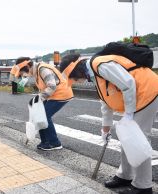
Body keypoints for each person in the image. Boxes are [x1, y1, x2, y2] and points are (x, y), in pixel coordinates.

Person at [61, 53, 158, 194]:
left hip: (148, 92)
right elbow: (106, 103)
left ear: (77, 70)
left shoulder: (100, 64)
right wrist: (105, 130)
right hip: (136, 98)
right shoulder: (95, 76)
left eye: (74, 78)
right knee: (127, 138)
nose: (76, 82)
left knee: (138, 139)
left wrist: (129, 114)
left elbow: (128, 84)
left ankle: (143, 186)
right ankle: (125, 175)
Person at [17, 57, 73, 151]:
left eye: (23, 72)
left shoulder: (43, 69)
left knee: (44, 116)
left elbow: (52, 86)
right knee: (39, 116)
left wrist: (38, 98)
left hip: (61, 94)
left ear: (27, 66)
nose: (23, 75)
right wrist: (38, 100)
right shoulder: (37, 72)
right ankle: (45, 142)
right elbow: (44, 89)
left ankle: (54, 143)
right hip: (53, 95)